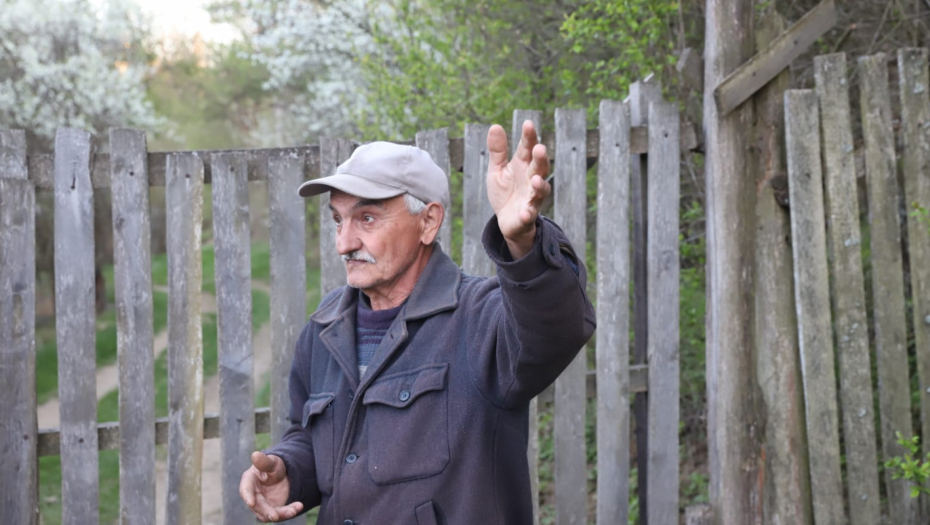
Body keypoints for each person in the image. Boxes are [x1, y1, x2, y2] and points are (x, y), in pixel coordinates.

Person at [239, 121, 595, 524]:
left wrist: (523, 244)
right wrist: (290, 470)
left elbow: (557, 329)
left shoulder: (481, 318)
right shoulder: (324, 329)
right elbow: (309, 436)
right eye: (338, 220)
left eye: (367, 219)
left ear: (428, 221)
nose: (344, 242)